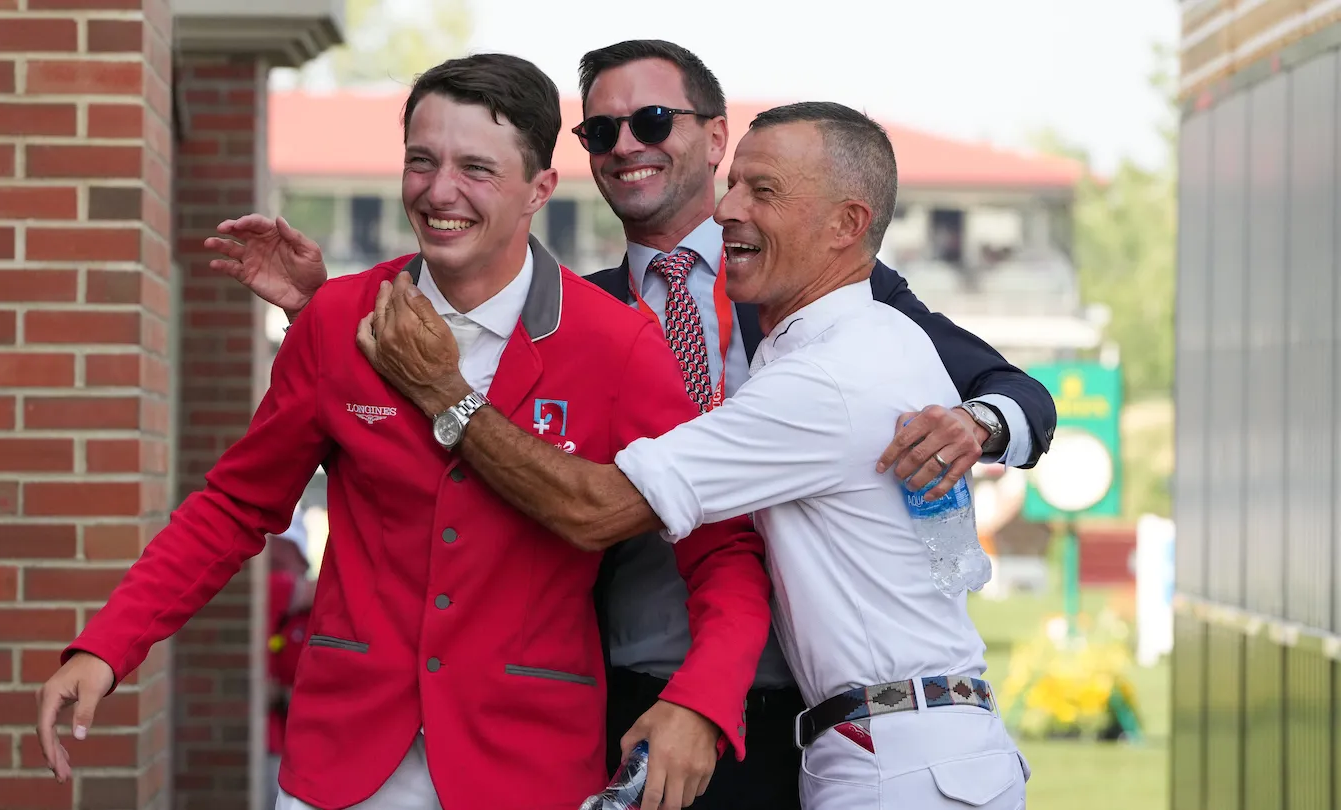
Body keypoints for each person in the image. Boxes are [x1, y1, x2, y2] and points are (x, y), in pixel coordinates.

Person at [207, 40, 1054, 809]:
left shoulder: (843, 315)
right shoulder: (590, 314)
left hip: (795, 703)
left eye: (651, 119)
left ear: (715, 137)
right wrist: (335, 314)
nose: (626, 145)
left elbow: (1012, 389)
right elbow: (457, 352)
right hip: (631, 691)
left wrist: (979, 421)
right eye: (600, 132)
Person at [34, 53, 774, 810]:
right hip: (341, 760)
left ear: (539, 190)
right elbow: (234, 507)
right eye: (421, 161)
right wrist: (107, 645)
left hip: (528, 767)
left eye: (476, 169)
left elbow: (724, 546)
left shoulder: (616, 345)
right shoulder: (333, 319)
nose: (439, 191)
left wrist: (704, 701)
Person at [266, 510, 315, 810]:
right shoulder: (272, 594)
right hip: (271, 744)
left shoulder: (316, 613)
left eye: (281, 564)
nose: (275, 574)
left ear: (301, 561)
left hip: (311, 751)